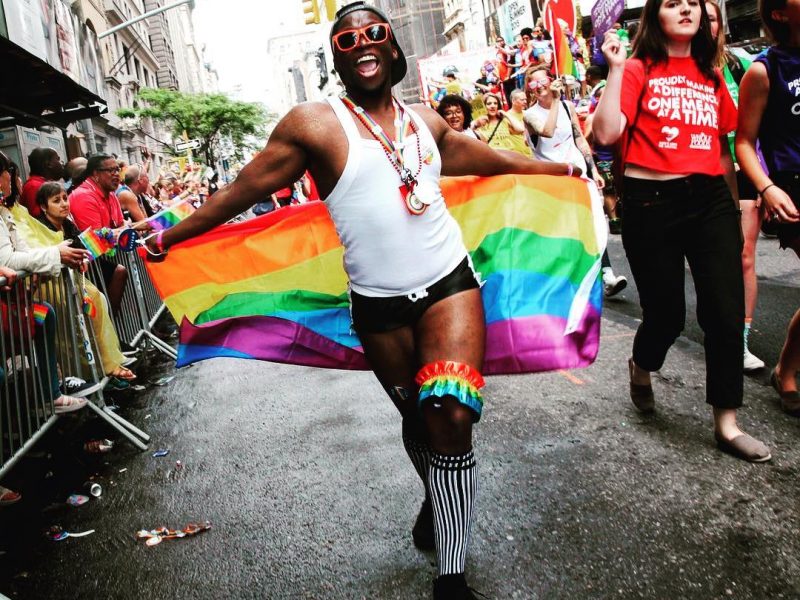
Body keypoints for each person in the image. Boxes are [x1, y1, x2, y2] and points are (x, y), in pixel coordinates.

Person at [145, 2, 580, 597]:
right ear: (337, 58)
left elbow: (489, 158)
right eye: (346, 39)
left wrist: (556, 173)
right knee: (420, 420)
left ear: (392, 47)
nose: (362, 43)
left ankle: (451, 577)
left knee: (450, 412)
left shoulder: (424, 122)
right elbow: (243, 189)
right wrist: (168, 238)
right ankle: (439, 497)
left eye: (374, 33)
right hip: (378, 308)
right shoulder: (314, 125)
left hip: (449, 285)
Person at [592, 0, 771, 462]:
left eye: (692, 2)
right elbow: (606, 135)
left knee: (726, 312)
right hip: (652, 202)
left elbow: (723, 148)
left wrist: (733, 208)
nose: (687, 9)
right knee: (666, 315)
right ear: (656, 16)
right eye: (673, 3)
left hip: (710, 199)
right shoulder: (636, 68)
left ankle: (727, 422)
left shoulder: (710, 74)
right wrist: (616, 69)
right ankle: (642, 364)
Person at [735, 0, 800, 416]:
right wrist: (768, 187)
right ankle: (786, 371)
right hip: (792, 190)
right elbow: (744, 141)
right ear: (779, 13)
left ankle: (785, 369)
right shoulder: (764, 70)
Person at [524, 66, 627, 297]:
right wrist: (555, 101)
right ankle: (570, 281)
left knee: (593, 223)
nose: (539, 87)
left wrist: (593, 170)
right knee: (565, 229)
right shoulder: (530, 114)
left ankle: (607, 275)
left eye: (543, 81)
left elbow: (578, 138)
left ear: (551, 81)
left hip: (578, 174)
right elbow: (547, 132)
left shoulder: (568, 107)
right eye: (533, 84)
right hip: (552, 180)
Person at [0, 152, 89, 414]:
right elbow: (8, 259)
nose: (11, 178)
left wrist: (58, 255)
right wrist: (55, 254)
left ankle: (51, 393)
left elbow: (22, 252)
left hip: (14, 305)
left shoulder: (4, 211)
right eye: (8, 172)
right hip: (6, 309)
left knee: (44, 315)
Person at [35, 182, 136, 382]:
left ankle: (106, 364)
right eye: (56, 201)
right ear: (44, 207)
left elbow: (83, 248)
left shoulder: (68, 224)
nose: (64, 204)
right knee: (72, 328)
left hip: (73, 282)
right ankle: (85, 375)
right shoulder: (40, 227)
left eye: (65, 198)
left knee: (98, 302)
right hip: (51, 287)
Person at [69, 154, 128, 316]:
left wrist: (124, 229)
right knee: (120, 272)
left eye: (117, 169)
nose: (116, 174)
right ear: (95, 174)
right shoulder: (83, 196)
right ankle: (111, 324)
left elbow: (120, 225)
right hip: (89, 265)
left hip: (105, 259)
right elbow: (96, 240)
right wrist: (122, 230)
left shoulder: (112, 194)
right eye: (111, 170)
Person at [471, 92, 531, 156]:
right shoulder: (477, 123)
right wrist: (476, 124)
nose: (493, 106)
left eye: (495, 103)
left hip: (509, 157)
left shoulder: (504, 120)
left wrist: (505, 114)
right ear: (484, 106)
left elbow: (521, 129)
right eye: (489, 104)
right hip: (492, 158)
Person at [20, 147, 64, 217]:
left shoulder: (42, 184)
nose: (62, 163)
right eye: (58, 159)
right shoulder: (34, 186)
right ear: (49, 164)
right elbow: (39, 218)